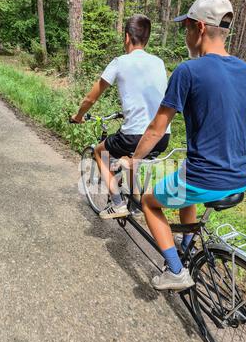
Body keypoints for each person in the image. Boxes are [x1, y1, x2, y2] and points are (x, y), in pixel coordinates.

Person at [120, 0, 246, 292]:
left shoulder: (189, 71)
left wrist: (135, 159)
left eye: (185, 28)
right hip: (240, 176)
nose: (185, 35)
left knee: (148, 201)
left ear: (199, 27)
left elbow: (157, 129)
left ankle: (175, 270)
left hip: (205, 177)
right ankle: (186, 246)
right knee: (186, 175)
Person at [71, 15, 171, 219]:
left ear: (127, 37)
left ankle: (117, 204)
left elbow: (90, 98)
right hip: (161, 137)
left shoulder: (120, 62)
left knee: (100, 153)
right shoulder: (159, 62)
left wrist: (78, 116)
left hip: (133, 136)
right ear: (147, 39)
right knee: (134, 158)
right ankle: (135, 204)